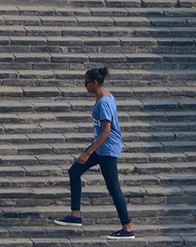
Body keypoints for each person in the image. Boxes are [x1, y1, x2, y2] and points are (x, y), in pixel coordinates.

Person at [53, 67, 135, 240]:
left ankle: (127, 228)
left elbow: (106, 131)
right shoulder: (106, 95)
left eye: (86, 83)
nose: (84, 86)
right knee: (74, 171)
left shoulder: (104, 102)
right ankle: (75, 215)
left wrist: (87, 152)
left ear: (94, 83)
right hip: (102, 146)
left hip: (107, 148)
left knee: (114, 188)